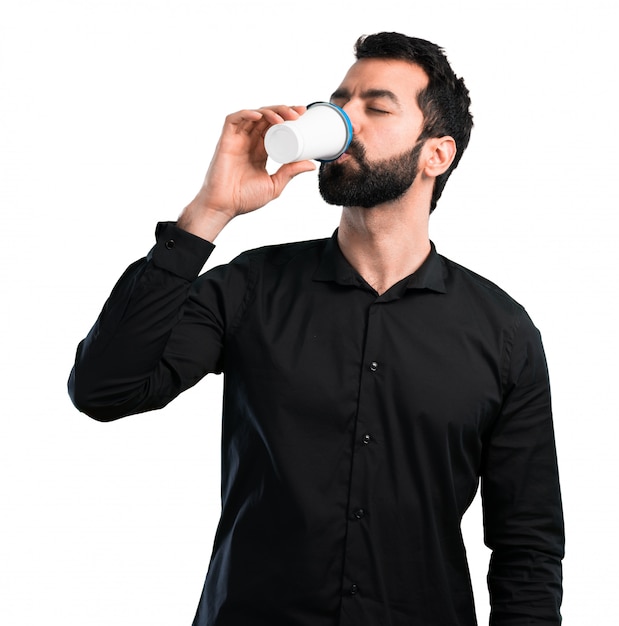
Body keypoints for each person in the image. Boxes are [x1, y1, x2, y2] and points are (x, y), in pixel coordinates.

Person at [68, 32, 564, 626]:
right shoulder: (250, 287)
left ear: (437, 154)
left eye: (375, 108)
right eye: (339, 100)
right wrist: (209, 211)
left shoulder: (502, 332)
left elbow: (527, 547)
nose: (340, 119)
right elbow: (103, 389)